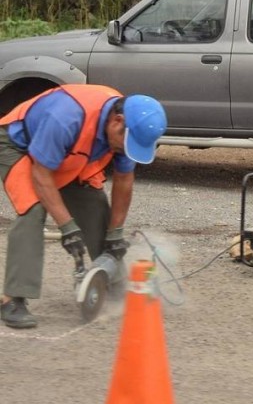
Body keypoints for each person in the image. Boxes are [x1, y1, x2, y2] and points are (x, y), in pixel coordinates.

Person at [0, 85, 167, 328]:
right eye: (125, 143)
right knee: (33, 209)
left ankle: (112, 280)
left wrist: (115, 234)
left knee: (94, 205)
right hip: (17, 146)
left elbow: (123, 180)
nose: (125, 150)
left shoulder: (126, 129)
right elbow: (42, 175)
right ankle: (12, 300)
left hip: (70, 153)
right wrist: (67, 228)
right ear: (117, 121)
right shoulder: (65, 117)